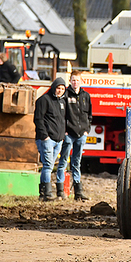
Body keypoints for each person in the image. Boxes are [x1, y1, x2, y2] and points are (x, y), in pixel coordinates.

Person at [56, 70, 92, 201]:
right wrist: (64, 130)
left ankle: (78, 192)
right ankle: (60, 191)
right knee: (63, 161)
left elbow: (89, 115)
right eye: (73, 80)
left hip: (81, 134)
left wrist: (86, 130)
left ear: (81, 81)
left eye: (77, 80)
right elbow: (61, 114)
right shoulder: (65, 95)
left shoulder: (86, 96)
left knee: (77, 162)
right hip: (68, 134)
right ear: (70, 81)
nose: (75, 82)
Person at [34, 77, 67, 201]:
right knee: (48, 165)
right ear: (54, 87)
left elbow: (62, 120)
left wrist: (62, 136)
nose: (60, 91)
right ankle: (47, 194)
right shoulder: (44, 100)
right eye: (58, 88)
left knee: (49, 165)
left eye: (62, 89)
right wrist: (45, 137)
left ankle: (43, 193)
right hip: (46, 140)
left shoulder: (62, 102)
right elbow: (38, 119)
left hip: (58, 140)